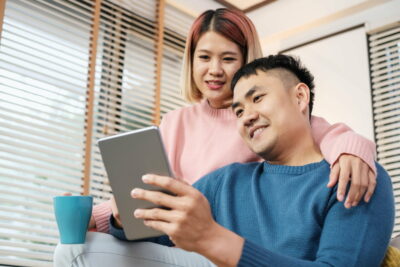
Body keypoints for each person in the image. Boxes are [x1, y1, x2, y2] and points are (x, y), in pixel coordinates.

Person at [90, 8, 377, 235]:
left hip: (230, 239)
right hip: (177, 236)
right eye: (204, 57)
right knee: (83, 243)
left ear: (245, 60)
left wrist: (351, 151)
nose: (214, 70)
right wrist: (99, 216)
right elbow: (150, 190)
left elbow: (331, 135)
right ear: (191, 61)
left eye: (228, 59)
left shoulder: (261, 119)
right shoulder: (175, 123)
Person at [108, 54, 394, 266]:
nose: (247, 116)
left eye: (257, 99)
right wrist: (122, 219)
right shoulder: (225, 182)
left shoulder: (353, 176)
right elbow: (155, 238)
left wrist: (213, 239)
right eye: (239, 111)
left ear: (300, 97)